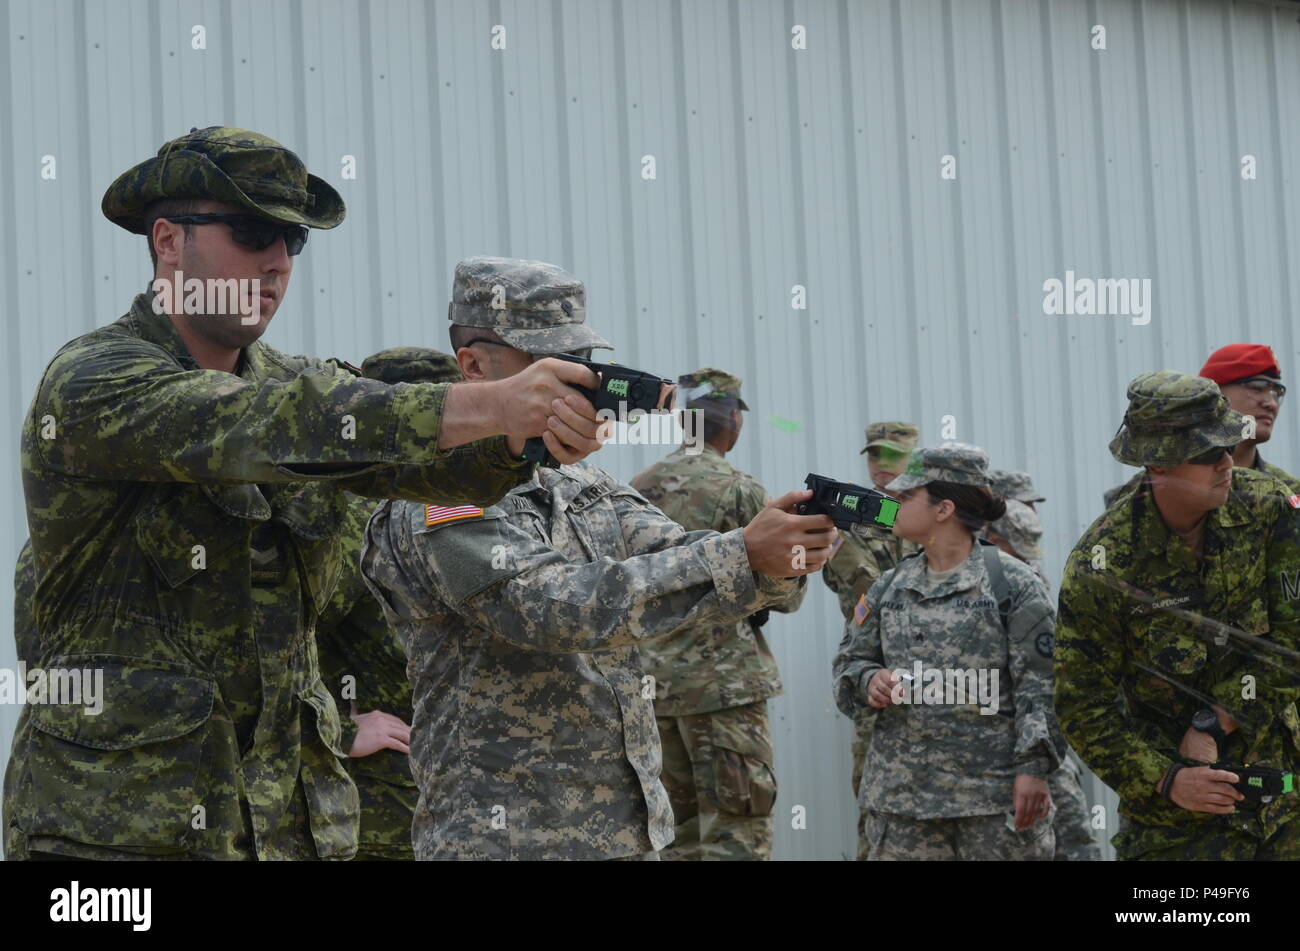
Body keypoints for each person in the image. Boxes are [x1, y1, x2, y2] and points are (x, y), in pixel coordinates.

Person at [6, 128, 604, 861]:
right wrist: (497, 404)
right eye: (253, 230)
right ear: (168, 240)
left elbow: (410, 463)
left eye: (292, 239)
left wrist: (525, 436)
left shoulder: (292, 379)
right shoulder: (97, 380)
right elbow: (265, 425)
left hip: (286, 829)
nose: (277, 261)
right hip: (118, 838)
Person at [360, 257, 837, 860]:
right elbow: (549, 608)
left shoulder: (579, 481)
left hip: (624, 835)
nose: (577, 385)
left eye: (581, 367)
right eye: (549, 366)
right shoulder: (435, 497)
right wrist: (743, 552)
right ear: (474, 366)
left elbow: (673, 552)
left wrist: (780, 554)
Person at [1057, 370, 1300, 860]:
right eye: (1210, 453)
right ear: (1159, 464)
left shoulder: (1271, 510)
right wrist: (1168, 780)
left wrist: (1216, 720)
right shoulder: (1101, 564)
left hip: (1284, 804)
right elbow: (1082, 704)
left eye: (1231, 446)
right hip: (1176, 825)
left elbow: (1294, 641)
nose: (1228, 463)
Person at [833, 443, 1061, 860]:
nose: (893, 505)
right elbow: (849, 665)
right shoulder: (888, 586)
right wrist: (870, 681)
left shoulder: (1013, 584)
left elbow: (1043, 687)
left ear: (944, 509)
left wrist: (1033, 769)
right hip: (903, 807)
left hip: (991, 802)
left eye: (906, 497)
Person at [629, 368, 804, 860]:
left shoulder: (635, 489)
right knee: (737, 829)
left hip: (654, 690)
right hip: (724, 689)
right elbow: (784, 595)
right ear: (732, 420)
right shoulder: (742, 492)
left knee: (674, 833)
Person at [313, 347, 466, 862]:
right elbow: (262, 644)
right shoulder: (355, 519)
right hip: (383, 814)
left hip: (458, 802)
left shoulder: (457, 506)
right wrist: (334, 729)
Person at [821, 420, 920, 858]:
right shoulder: (852, 523)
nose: (883, 464)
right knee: (876, 800)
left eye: (894, 455)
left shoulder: (935, 520)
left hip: (935, 676)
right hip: (874, 673)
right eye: (875, 454)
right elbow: (866, 589)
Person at [984, 500, 1100, 862]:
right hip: (994, 740)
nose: (1024, 559)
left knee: (1073, 832)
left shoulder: (1024, 577)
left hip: (1042, 730)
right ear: (991, 539)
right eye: (1014, 549)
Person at [1102, 345, 1298, 509]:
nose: (1271, 403)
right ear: (1214, 395)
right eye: (1256, 388)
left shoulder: (1290, 493)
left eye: (1276, 393)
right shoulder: (1132, 501)